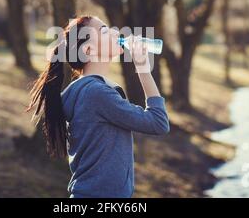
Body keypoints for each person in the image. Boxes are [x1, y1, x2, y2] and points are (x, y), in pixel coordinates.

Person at [26, 15, 170, 198]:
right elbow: (158, 122)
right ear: (88, 49)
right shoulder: (96, 93)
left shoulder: (89, 90)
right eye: (104, 30)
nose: (116, 32)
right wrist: (142, 68)